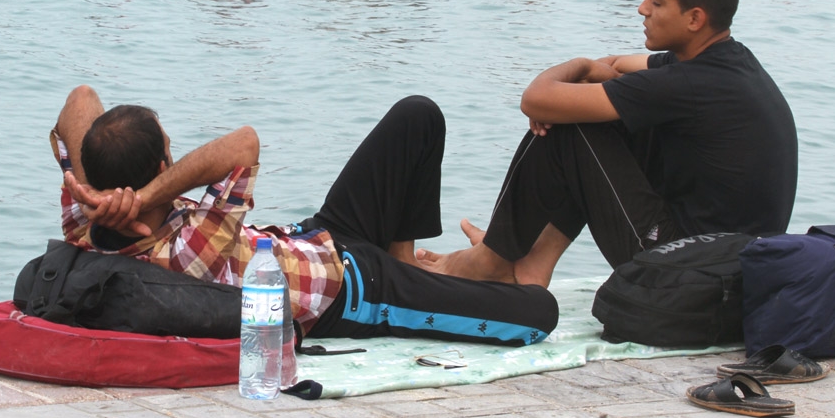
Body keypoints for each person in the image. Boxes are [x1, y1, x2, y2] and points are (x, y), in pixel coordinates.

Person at [416, 0, 798, 289]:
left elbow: (536, 99)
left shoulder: (687, 83)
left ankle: (490, 261)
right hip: (727, 266)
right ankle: (530, 262)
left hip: (687, 272)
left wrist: (578, 67)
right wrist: (587, 84)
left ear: (695, 18)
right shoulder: (724, 64)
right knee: (603, 114)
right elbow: (616, 66)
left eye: (657, 1)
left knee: (576, 126)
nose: (642, 9)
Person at [52, 89, 558, 345]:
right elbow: (243, 143)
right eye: (170, 149)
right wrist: (142, 198)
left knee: (417, 114)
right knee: (538, 313)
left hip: (320, 234)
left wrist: (99, 193)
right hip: (357, 294)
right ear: (164, 167)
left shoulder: (83, 221)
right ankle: (405, 275)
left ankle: (406, 261)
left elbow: (80, 99)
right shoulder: (184, 254)